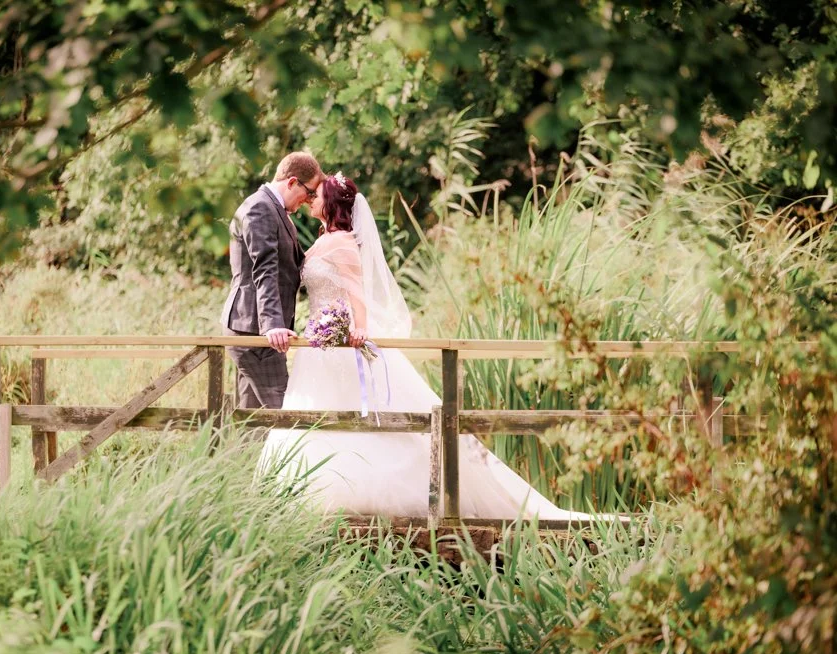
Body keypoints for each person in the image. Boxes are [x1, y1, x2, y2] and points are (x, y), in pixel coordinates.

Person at [260, 171, 622, 521]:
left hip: (338, 345)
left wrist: (358, 330)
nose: (312, 198)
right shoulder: (322, 239)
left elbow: (358, 297)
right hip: (319, 349)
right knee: (316, 414)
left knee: (354, 418)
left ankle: (357, 491)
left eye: (317, 194)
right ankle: (304, 492)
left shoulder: (342, 244)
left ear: (332, 202)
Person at [221, 152, 324, 409]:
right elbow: (264, 268)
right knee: (285, 412)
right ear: (292, 182)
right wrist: (272, 326)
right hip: (255, 329)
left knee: (254, 421)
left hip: (253, 328)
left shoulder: (275, 210)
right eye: (309, 192)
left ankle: (243, 452)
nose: (308, 200)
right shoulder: (260, 208)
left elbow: (291, 267)